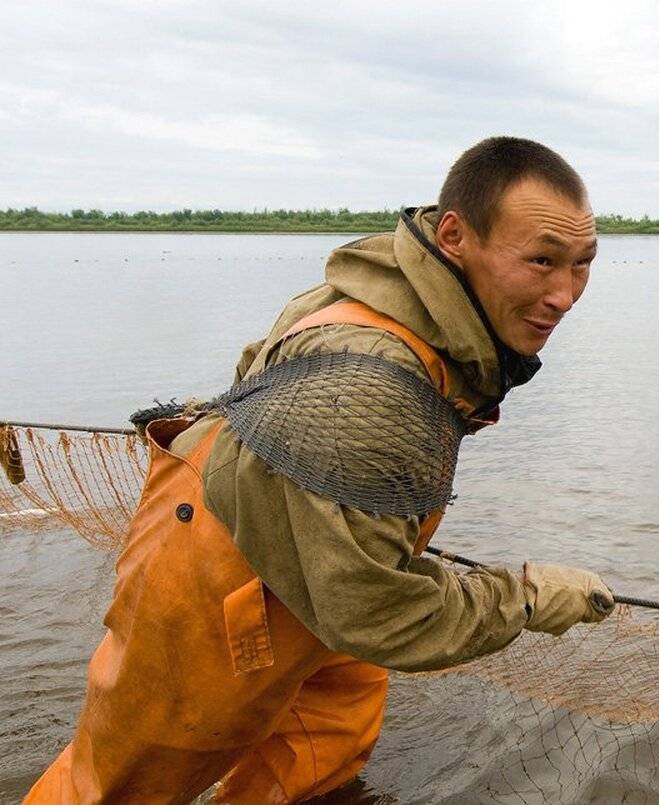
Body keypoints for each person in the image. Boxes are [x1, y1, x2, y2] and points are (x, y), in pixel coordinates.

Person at [27, 137, 614, 803]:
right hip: (218, 578)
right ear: (454, 235)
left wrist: (344, 509)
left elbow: (256, 366)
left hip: (306, 550)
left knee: (325, 742)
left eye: (582, 264)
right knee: (118, 785)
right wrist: (529, 596)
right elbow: (383, 616)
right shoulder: (370, 385)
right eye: (541, 261)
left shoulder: (388, 289)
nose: (565, 294)